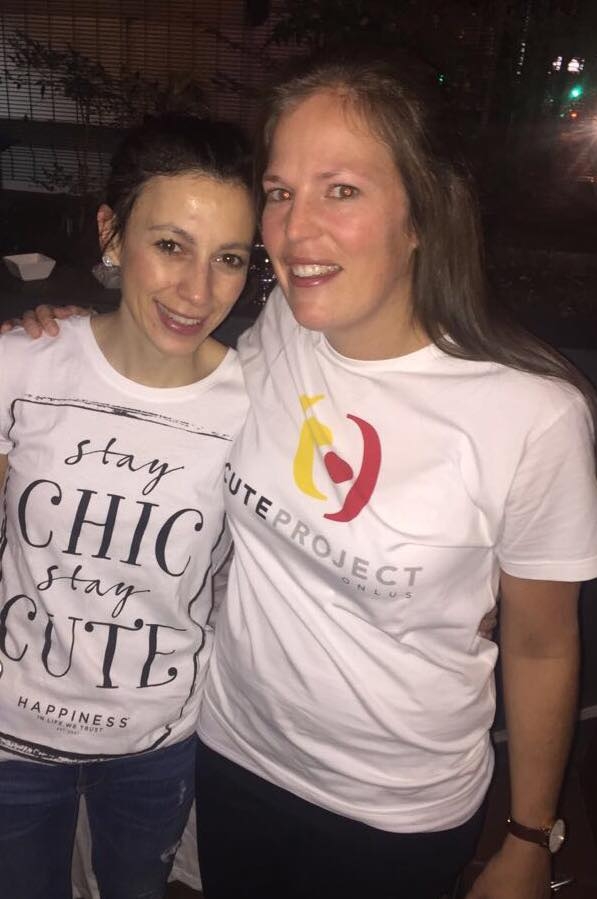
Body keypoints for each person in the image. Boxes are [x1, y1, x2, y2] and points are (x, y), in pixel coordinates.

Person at [13, 50, 597, 899]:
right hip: (230, 753)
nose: (293, 230)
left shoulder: (532, 415)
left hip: (393, 808)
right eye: (280, 192)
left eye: (341, 190)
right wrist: (60, 333)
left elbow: (542, 643)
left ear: (421, 214)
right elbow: (148, 355)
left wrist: (528, 834)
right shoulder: (280, 331)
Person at [0, 113, 255, 899]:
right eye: (171, 245)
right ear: (111, 233)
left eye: (228, 258)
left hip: (159, 743)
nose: (197, 291)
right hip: (10, 741)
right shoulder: (22, 363)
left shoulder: (258, 403)